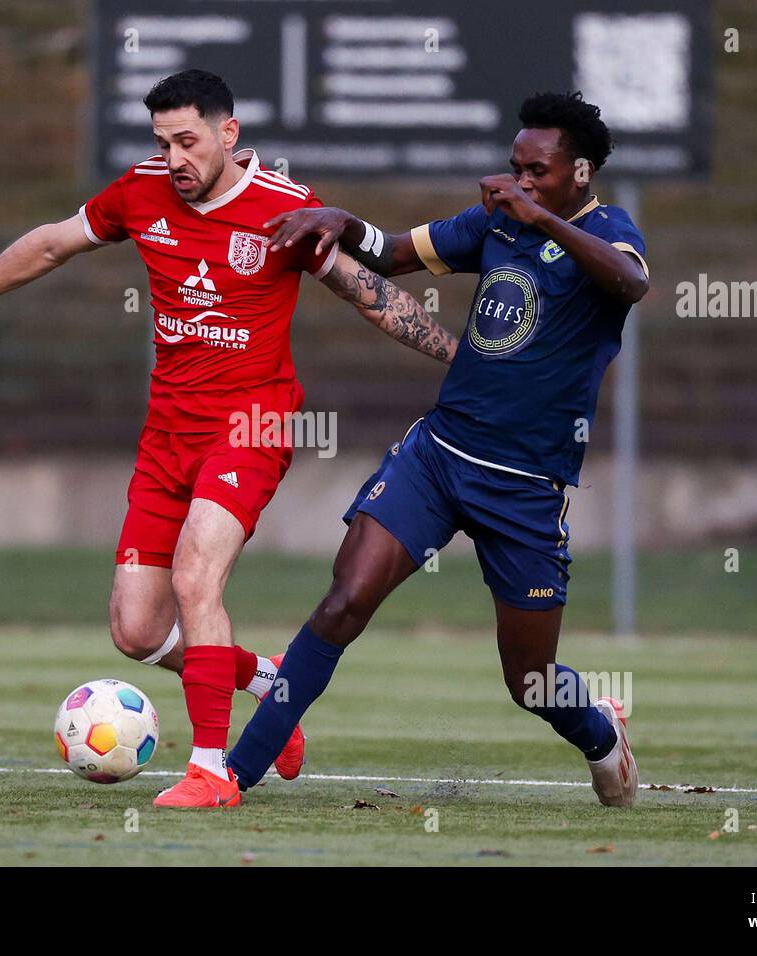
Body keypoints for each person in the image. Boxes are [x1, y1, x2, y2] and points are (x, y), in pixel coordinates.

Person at [0, 69, 456, 808]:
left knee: (197, 574)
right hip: (167, 434)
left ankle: (214, 771)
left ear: (229, 134)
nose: (175, 158)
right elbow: (53, 243)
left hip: (251, 425)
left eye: (187, 140)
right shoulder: (142, 191)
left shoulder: (287, 209)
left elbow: (366, 292)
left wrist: (463, 358)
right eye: (162, 142)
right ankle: (265, 681)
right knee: (136, 629)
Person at [226, 91, 648, 807]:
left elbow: (632, 283)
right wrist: (342, 222)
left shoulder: (607, 229)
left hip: (525, 487)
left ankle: (599, 729)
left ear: (579, 173)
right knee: (344, 600)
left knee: (528, 681)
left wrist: (539, 217)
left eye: (537, 171)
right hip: (440, 455)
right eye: (514, 168)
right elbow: (391, 255)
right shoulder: (494, 224)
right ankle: (232, 774)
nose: (519, 182)